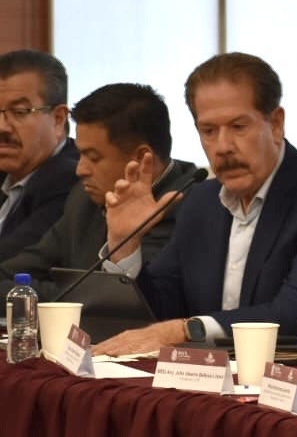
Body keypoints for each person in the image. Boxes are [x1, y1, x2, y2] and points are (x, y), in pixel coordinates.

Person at [94, 52, 297, 353]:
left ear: (276, 124)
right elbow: (161, 311)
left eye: (238, 127)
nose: (223, 147)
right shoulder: (201, 203)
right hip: (215, 376)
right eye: (209, 131)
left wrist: (187, 329)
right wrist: (124, 246)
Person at [0, 83, 197, 301]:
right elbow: (17, 271)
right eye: (80, 155)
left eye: (93, 157)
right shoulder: (83, 199)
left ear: (141, 158)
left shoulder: (188, 206)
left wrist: (34, 293)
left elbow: (116, 298)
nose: (80, 170)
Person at [0, 49, 79, 261]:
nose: (2, 127)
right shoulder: (7, 170)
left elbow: (14, 262)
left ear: (58, 118)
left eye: (19, 112)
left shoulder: (74, 179)